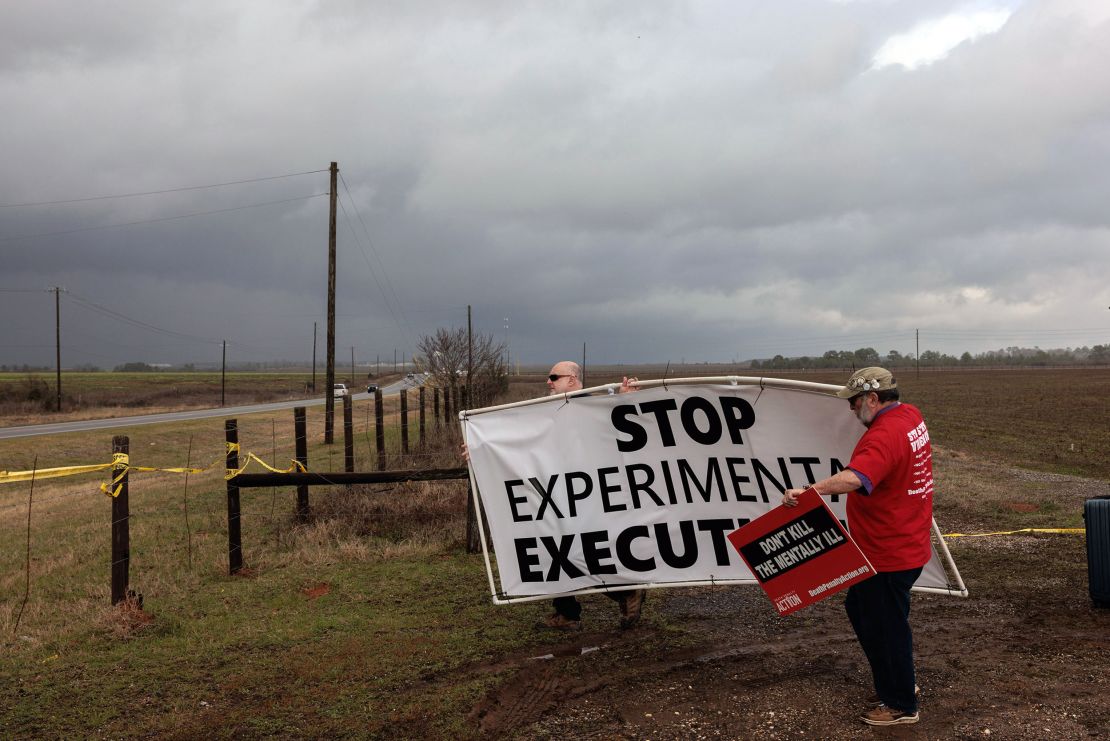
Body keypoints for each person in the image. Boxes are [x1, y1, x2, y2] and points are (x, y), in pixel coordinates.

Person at [781, 367, 933, 727]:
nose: (851, 410)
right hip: (898, 542)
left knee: (886, 624)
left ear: (872, 400)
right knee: (862, 610)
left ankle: (900, 703)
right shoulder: (909, 415)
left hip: (888, 551)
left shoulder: (884, 434)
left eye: (853, 402)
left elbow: (857, 477)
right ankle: (896, 683)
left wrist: (810, 491)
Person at [541, 361, 647, 631]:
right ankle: (567, 612)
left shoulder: (591, 406)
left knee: (580, 551)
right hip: (563, 490)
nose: (549, 381)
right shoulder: (553, 409)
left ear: (573, 379)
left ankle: (624, 592)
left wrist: (625, 400)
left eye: (555, 377)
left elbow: (620, 426)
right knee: (558, 548)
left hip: (589, 493)